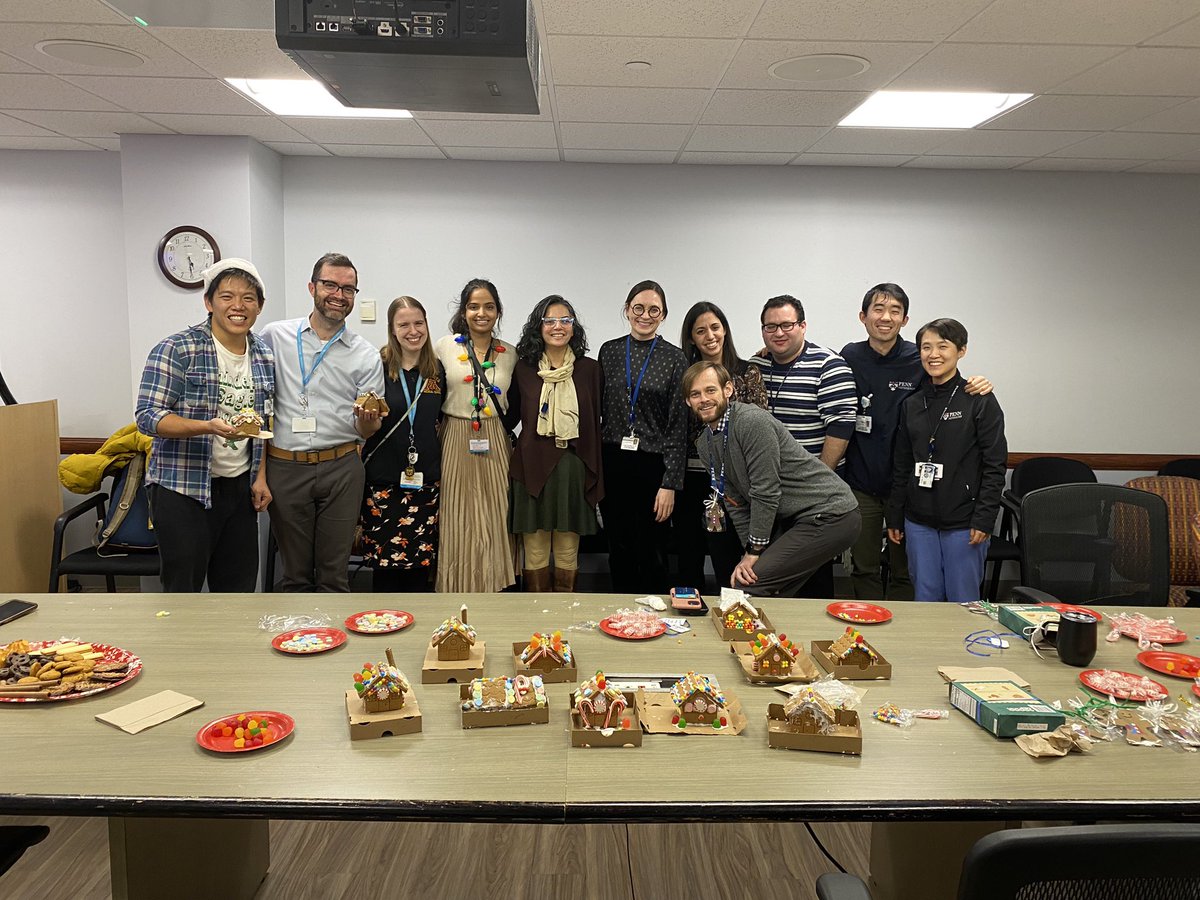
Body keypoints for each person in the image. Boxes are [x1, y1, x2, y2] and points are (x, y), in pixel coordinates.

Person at [841, 283, 992, 602]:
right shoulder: (849, 356)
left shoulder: (918, 357)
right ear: (863, 316)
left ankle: (901, 635)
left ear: (905, 319)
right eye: (878, 310)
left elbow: (950, 389)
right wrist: (766, 354)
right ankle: (866, 628)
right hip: (861, 481)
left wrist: (977, 383)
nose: (886, 317)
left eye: (895, 311)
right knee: (863, 565)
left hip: (908, 486)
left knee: (905, 570)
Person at [135, 258, 274, 592]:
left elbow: (265, 421)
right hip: (183, 488)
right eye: (227, 297)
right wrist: (206, 426)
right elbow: (148, 416)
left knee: (237, 589)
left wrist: (261, 477)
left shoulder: (263, 355)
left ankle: (231, 647)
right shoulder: (178, 348)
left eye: (248, 298)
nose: (238, 306)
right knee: (184, 591)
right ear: (209, 302)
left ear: (259, 307)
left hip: (239, 489)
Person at [260, 252, 384, 592]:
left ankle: (335, 643)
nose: (339, 295)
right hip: (285, 467)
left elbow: (368, 432)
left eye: (348, 289)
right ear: (312, 287)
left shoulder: (365, 353)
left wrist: (369, 422)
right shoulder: (274, 336)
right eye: (331, 285)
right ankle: (298, 642)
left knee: (334, 575)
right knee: (295, 575)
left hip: (341, 467)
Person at [685, 361, 861, 599]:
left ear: (728, 390)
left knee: (747, 586)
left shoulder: (751, 422)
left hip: (831, 514)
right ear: (688, 401)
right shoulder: (705, 445)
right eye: (695, 394)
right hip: (797, 519)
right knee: (758, 580)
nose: (703, 399)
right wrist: (752, 553)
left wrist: (755, 551)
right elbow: (736, 504)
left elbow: (765, 491)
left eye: (710, 390)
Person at [887, 318, 1007, 603]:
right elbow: (902, 464)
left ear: (961, 351)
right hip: (918, 520)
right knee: (925, 597)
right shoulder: (912, 404)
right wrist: (895, 514)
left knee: (963, 600)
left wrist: (985, 519)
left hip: (964, 522)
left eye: (943, 346)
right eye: (926, 347)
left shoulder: (979, 400)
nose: (934, 354)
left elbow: (994, 466)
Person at [748, 294, 856, 597]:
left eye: (786, 325)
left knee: (812, 573)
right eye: (770, 327)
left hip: (814, 493)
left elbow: (841, 427)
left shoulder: (829, 365)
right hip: (771, 488)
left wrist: (817, 481)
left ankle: (813, 635)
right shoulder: (756, 365)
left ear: (803, 326)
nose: (778, 333)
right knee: (776, 573)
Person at [597, 280, 688, 594]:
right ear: (627, 310)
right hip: (613, 460)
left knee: (652, 550)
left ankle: (651, 623)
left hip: (653, 466)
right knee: (618, 546)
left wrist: (670, 483)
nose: (645, 315)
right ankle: (620, 620)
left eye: (654, 310)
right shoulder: (608, 351)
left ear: (663, 315)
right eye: (638, 308)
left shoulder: (675, 359)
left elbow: (678, 424)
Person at [508, 295, 603, 592]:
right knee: (534, 549)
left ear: (574, 328)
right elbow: (508, 416)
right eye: (550, 320)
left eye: (565, 320)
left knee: (567, 549)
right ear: (539, 326)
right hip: (532, 466)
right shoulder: (523, 369)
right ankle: (536, 618)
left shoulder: (590, 370)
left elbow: (597, 422)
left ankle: (564, 617)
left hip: (573, 467)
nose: (557, 326)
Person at [432, 278, 518, 592]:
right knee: (456, 513)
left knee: (497, 511)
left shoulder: (510, 352)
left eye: (489, 306)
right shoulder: (444, 347)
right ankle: (455, 584)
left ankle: (497, 583)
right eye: (473, 306)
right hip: (455, 434)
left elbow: (517, 403)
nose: (481, 313)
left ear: (498, 311)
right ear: (464, 310)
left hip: (493, 435)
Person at [676, 301, 767, 592]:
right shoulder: (685, 374)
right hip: (693, 474)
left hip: (735, 479)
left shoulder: (747, 372)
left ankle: (731, 612)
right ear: (691, 338)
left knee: (727, 552)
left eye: (715, 327)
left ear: (725, 330)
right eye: (700, 331)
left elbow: (760, 421)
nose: (709, 336)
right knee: (688, 552)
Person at [358, 296, 444, 592]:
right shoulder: (377, 367)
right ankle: (382, 630)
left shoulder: (437, 371)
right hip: (384, 483)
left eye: (418, 323)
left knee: (421, 569)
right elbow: (365, 424)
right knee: (385, 569)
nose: (413, 331)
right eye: (404, 324)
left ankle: (417, 635)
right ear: (392, 330)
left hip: (426, 484)